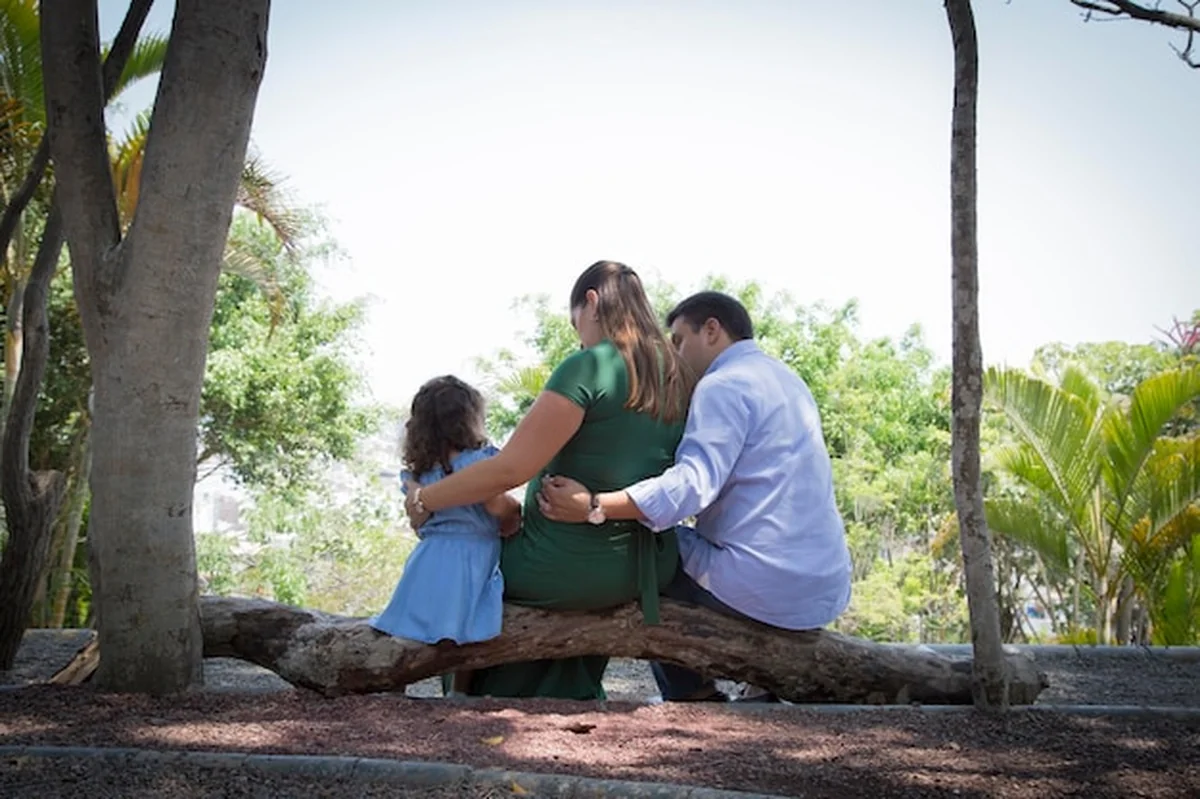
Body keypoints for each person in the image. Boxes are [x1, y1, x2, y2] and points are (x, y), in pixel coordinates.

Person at [538, 291, 853, 703]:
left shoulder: (723, 385)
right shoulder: (788, 380)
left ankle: (694, 696)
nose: (674, 354)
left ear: (712, 330)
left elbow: (692, 485)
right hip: (823, 589)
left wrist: (595, 505)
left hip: (764, 586)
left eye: (679, 340)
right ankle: (758, 684)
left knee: (644, 551)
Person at [403, 260, 694, 700]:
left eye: (575, 319)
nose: (579, 334)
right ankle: (573, 693)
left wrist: (426, 497)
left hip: (562, 566)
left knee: (467, 558)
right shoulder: (677, 372)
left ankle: (468, 701)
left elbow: (510, 470)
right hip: (646, 566)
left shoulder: (588, 366)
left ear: (591, 302)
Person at [371, 375, 521, 697]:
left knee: (410, 625)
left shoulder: (420, 473)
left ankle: (395, 687)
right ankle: (459, 693)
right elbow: (497, 509)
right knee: (465, 627)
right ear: (469, 419)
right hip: (474, 553)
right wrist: (515, 513)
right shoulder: (481, 462)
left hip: (429, 555)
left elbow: (417, 521)